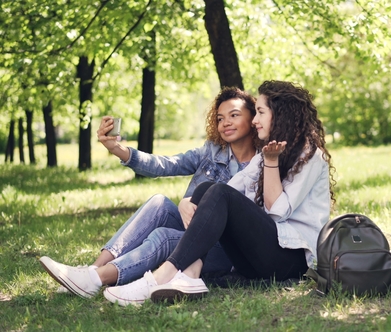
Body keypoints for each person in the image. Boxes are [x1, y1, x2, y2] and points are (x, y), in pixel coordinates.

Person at [101, 80, 336, 306]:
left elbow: (277, 213)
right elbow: (226, 189)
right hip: (257, 259)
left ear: (280, 113)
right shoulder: (265, 152)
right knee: (207, 189)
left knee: (217, 193)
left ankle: (161, 277)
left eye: (260, 112)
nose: (255, 120)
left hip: (290, 259)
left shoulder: (310, 155)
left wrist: (271, 163)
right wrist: (191, 201)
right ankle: (191, 277)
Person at [39, 87, 260, 299]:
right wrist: (116, 148)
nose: (225, 123)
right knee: (158, 203)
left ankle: (97, 278)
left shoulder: (263, 163)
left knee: (162, 236)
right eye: (220, 118)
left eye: (234, 115)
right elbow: (165, 164)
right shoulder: (213, 151)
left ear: (254, 119)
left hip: (221, 248)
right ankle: (91, 271)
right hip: (191, 228)